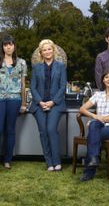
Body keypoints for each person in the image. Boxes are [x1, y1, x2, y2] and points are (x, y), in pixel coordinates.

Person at [80, 69, 109, 182]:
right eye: (106, 77)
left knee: (92, 131)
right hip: (99, 126)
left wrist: (100, 119)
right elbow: (82, 109)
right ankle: (94, 160)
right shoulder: (98, 95)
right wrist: (95, 117)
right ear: (103, 80)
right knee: (94, 126)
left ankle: (90, 169)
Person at [0, 35, 27, 169]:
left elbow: (23, 84)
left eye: (10, 44)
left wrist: (24, 103)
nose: (8, 47)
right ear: (2, 47)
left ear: (14, 46)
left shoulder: (21, 63)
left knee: (10, 130)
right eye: (5, 45)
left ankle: (7, 159)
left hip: (15, 99)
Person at [29, 39, 67, 172]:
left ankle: (57, 161)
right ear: (41, 52)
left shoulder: (61, 66)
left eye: (49, 49)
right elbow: (32, 87)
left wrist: (52, 102)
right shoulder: (36, 67)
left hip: (55, 104)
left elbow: (63, 87)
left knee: (51, 130)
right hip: (39, 104)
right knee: (43, 132)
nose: (47, 52)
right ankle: (49, 162)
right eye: (44, 50)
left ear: (53, 50)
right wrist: (40, 102)